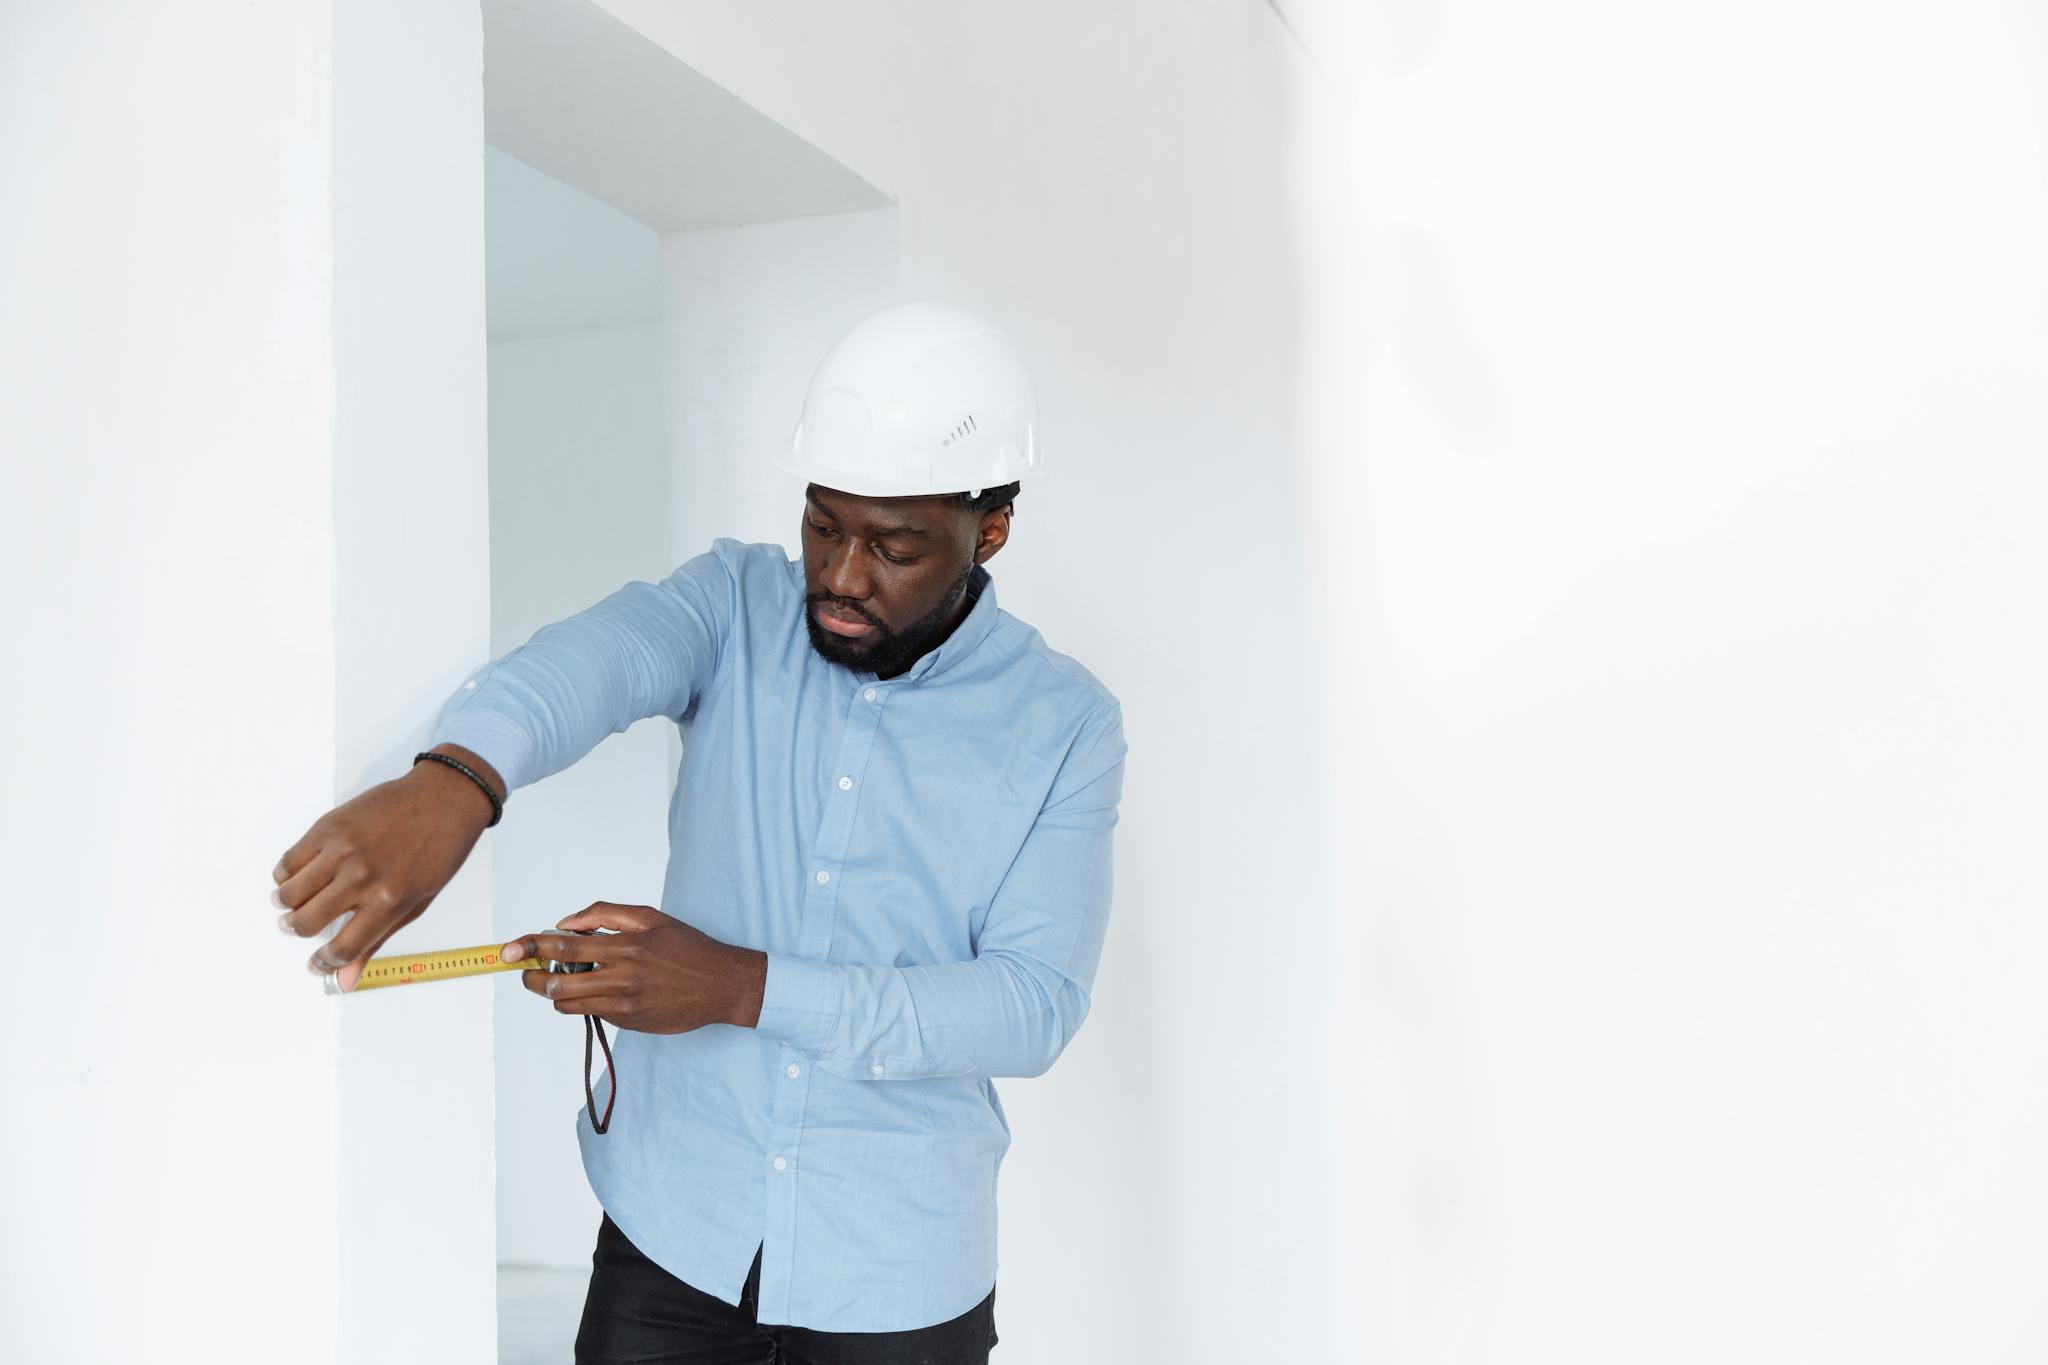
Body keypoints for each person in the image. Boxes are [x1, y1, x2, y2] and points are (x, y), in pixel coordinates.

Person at [269, 302, 1128, 1364]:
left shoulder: (1064, 721)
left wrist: (736, 987)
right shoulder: (734, 603)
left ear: (987, 529)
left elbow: (1029, 1005)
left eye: (893, 546)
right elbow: (593, 661)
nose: (843, 575)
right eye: (822, 524)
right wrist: (457, 780)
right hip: (671, 1232)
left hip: (896, 1277)